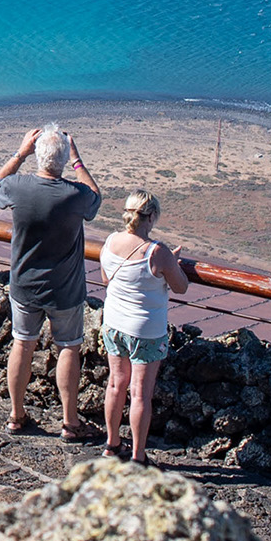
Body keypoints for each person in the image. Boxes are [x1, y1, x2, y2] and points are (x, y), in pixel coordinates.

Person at [0, 124, 103, 441]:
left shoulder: (19, 188)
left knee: (22, 344)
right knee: (69, 348)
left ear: (38, 156)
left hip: (25, 285)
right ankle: (70, 422)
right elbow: (96, 197)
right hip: (65, 290)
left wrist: (20, 153)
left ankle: (16, 415)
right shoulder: (75, 195)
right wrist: (78, 161)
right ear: (64, 160)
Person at [97, 190, 190, 463]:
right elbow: (181, 287)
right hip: (146, 331)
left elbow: (106, 279)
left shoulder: (110, 241)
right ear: (151, 217)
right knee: (140, 393)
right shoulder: (157, 252)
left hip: (113, 323)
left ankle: (112, 444)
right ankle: (138, 456)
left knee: (115, 384)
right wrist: (171, 263)